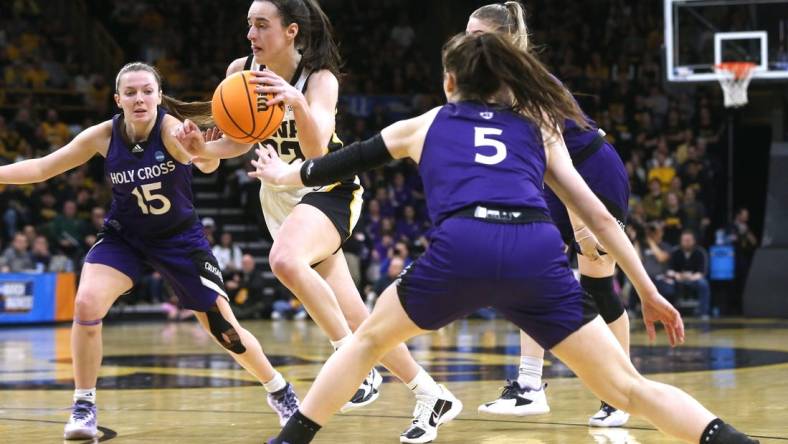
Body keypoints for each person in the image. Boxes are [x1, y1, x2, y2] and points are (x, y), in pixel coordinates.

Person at [254, 32, 758, 444]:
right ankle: (731, 440)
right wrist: (648, 291)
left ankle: (289, 441)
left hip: (462, 246)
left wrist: (280, 175)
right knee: (628, 387)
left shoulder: (425, 123)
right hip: (535, 250)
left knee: (365, 343)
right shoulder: (540, 125)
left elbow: (334, 165)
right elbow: (601, 220)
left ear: (449, 81)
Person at [176, 1, 461, 441]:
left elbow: (317, 153)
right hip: (280, 196)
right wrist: (199, 147)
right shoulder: (241, 70)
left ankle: (354, 366)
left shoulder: (319, 79)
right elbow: (235, 143)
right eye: (248, 25)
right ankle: (430, 393)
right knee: (360, 317)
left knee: (285, 261)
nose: (251, 34)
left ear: (290, 31)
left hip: (327, 187)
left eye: (262, 25)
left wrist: (297, 103)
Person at [0, 62, 299, 440]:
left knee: (227, 332)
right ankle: (83, 406)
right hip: (125, 236)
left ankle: (280, 391)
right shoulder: (103, 136)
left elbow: (207, 165)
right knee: (86, 303)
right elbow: (43, 168)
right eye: (130, 93)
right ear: (117, 99)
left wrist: (199, 150)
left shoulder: (172, 129)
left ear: (159, 96)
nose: (139, 98)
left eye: (146, 91)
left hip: (178, 239)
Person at [467, 1, 633, 426]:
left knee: (598, 288)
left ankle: (622, 393)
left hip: (589, 173)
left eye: (476, 36)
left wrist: (580, 221)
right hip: (556, 181)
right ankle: (528, 386)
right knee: (529, 275)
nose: (466, 43)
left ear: (500, 40)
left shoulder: (519, 82)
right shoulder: (492, 82)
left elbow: (552, 153)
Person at [664, 231, 712, 319]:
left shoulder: (700, 252)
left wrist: (691, 277)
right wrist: (677, 275)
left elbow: (703, 272)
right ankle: (670, 312)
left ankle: (703, 312)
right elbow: (669, 270)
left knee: (703, 284)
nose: (686, 243)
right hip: (678, 279)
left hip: (694, 279)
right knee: (668, 284)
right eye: (684, 240)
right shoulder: (675, 252)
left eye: (688, 240)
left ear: (694, 241)